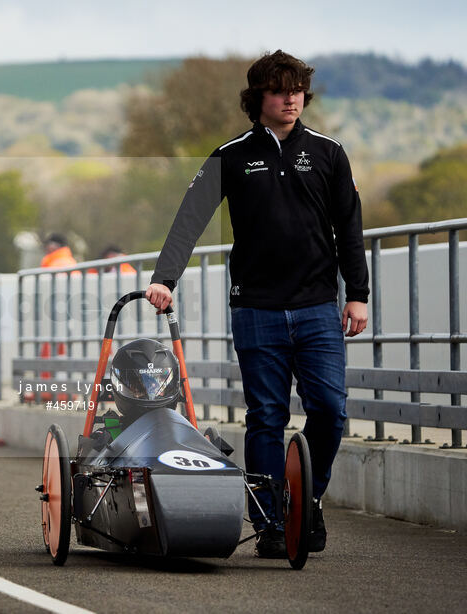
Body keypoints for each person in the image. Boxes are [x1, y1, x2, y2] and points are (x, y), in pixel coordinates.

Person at [145, 50, 369, 558]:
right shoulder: (231, 155)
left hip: (317, 307)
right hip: (257, 308)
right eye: (279, 90)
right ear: (258, 98)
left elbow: (349, 228)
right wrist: (166, 280)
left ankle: (304, 502)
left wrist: (357, 294)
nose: (291, 98)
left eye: (297, 91)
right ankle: (270, 522)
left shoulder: (330, 154)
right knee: (266, 416)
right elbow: (189, 219)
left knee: (330, 411)